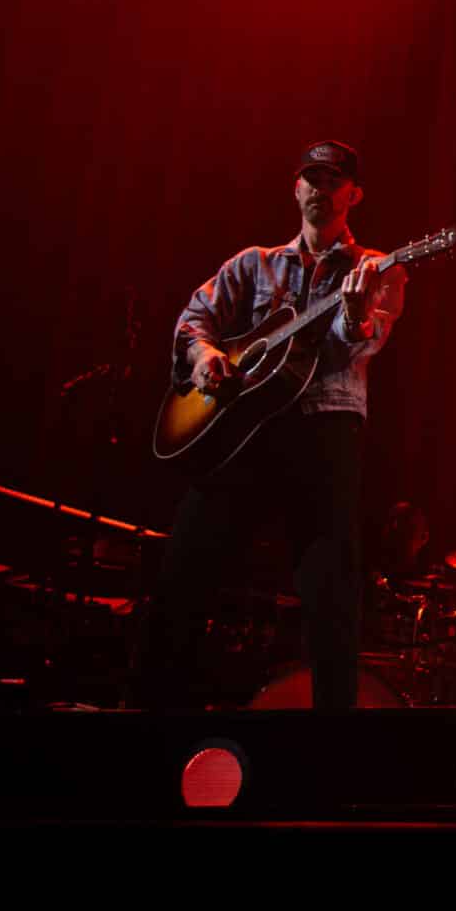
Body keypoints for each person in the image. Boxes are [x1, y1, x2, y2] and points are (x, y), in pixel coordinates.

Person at [138, 141, 407, 710]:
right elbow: (194, 320)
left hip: (324, 430)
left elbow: (358, 348)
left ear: (354, 195)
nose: (320, 189)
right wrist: (205, 356)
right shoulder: (252, 263)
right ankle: (153, 715)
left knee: (331, 594)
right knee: (184, 572)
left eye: (333, 181)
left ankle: (331, 735)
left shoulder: (376, 268)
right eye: (312, 178)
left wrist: (354, 317)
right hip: (244, 433)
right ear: (296, 188)